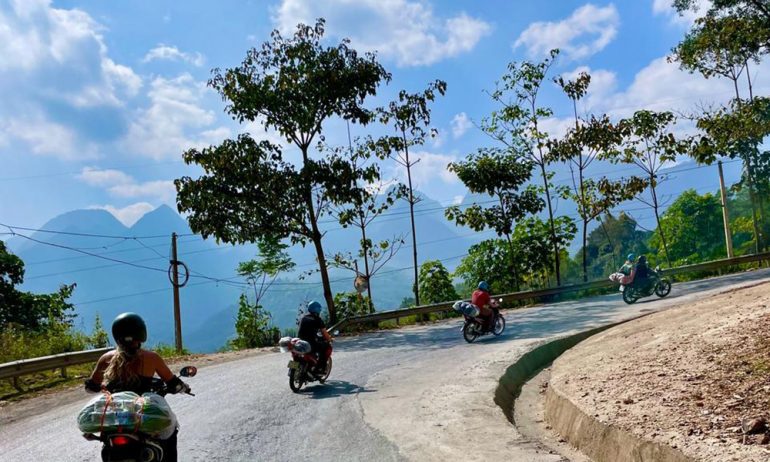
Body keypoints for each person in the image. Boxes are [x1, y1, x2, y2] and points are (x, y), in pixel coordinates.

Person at [85, 312, 190, 462]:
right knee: (170, 428)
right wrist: (182, 387)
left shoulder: (106, 358)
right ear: (141, 333)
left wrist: (102, 386)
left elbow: (91, 386)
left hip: (116, 415)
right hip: (142, 412)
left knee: (106, 438)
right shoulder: (151, 358)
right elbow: (172, 382)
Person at [297, 300, 333, 375]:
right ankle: (320, 369)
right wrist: (329, 339)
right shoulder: (318, 320)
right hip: (310, 343)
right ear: (317, 310)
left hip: (299, 342)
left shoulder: (304, 318)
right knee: (326, 347)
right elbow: (324, 333)